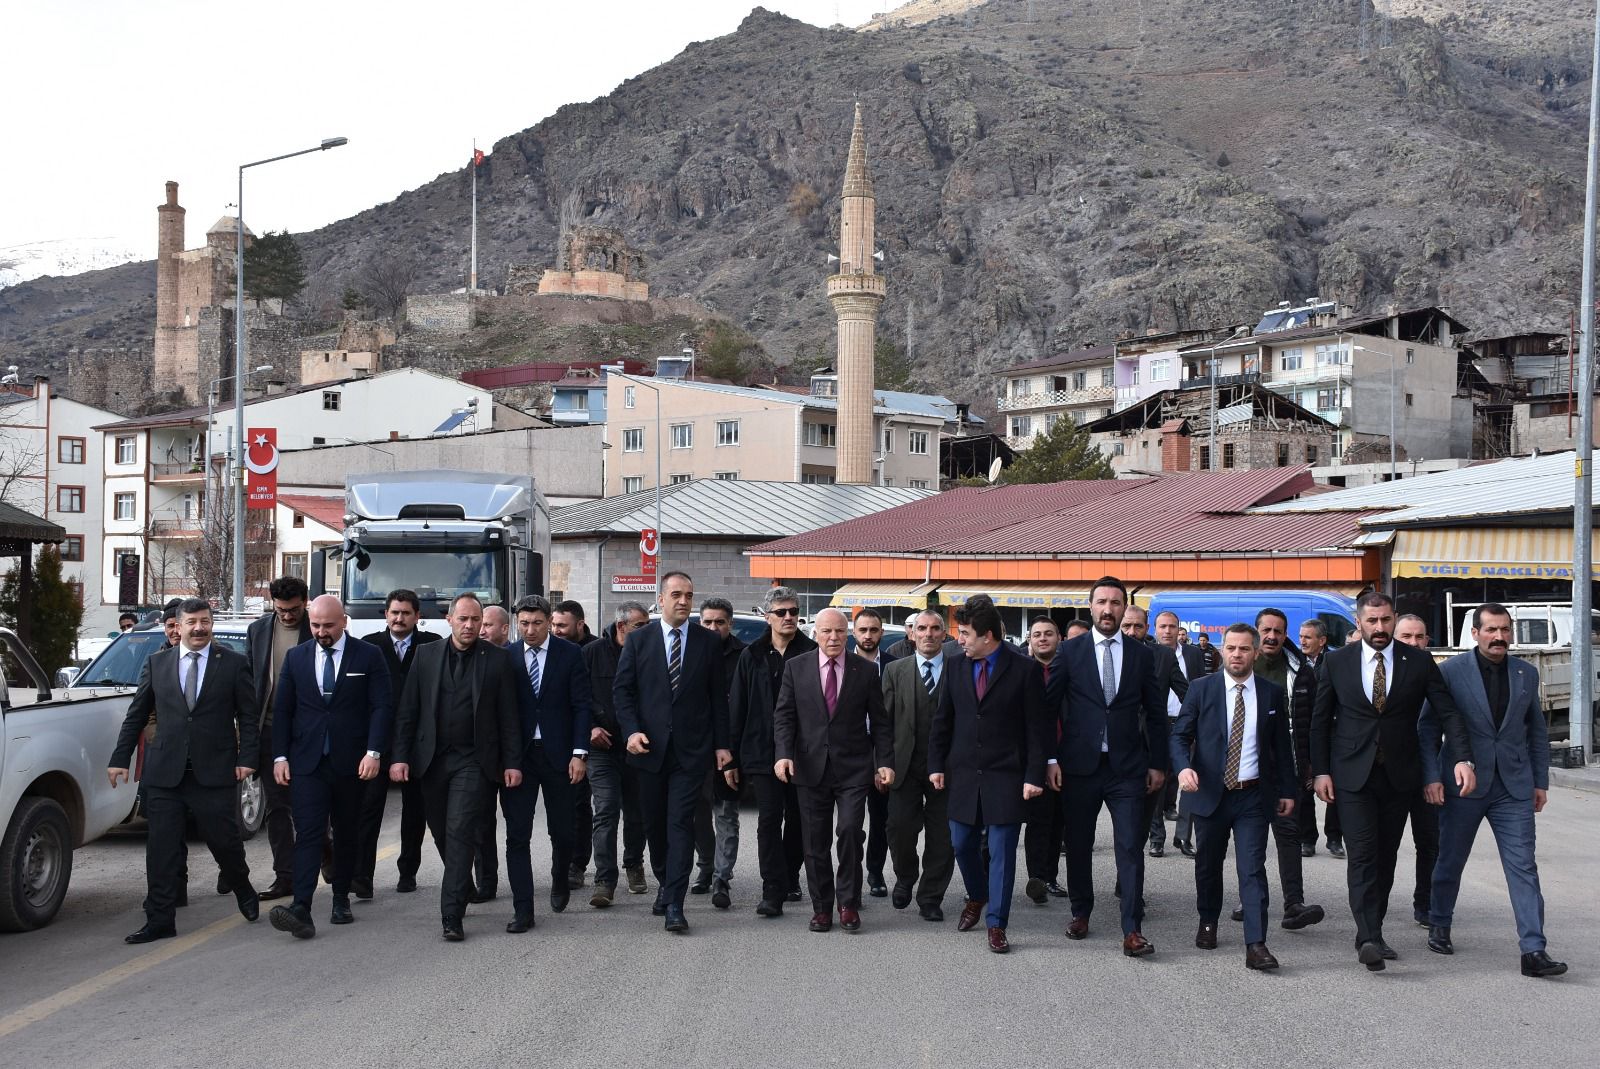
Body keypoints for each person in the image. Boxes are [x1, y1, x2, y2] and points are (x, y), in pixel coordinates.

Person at [1311, 591, 1473, 972]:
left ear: (1394, 618)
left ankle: (1373, 930)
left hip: (1399, 775)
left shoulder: (1418, 661)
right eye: (1372, 621)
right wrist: (1320, 771)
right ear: (1359, 622)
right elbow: (1319, 721)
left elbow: (1448, 712)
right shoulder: (1337, 661)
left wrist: (1463, 758)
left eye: (1385, 620)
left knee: (1385, 857)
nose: (1380, 627)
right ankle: (1368, 937)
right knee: (1363, 854)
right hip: (1353, 775)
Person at [1421, 603, 1566, 978]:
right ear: (1475, 633)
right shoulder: (1450, 672)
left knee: (1523, 867)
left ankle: (1533, 949)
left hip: (1513, 787)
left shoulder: (1525, 673)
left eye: (1505, 630)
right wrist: (1432, 777)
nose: (1499, 637)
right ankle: (1440, 922)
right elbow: (1428, 728)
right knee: (1450, 858)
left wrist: (1540, 781)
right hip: (1463, 785)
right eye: (1491, 630)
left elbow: (1536, 732)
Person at [108, 598, 259, 943]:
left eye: (205, 621)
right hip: (165, 773)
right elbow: (136, 714)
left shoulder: (233, 664)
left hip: (214, 771)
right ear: (178, 625)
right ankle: (160, 919)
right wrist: (119, 758)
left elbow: (248, 717)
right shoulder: (157, 663)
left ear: (211, 623)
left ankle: (242, 886)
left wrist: (247, 758)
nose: (199, 628)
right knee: (161, 850)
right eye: (192, 622)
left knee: (225, 843)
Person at [389, 593, 523, 942]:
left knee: (460, 829)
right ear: (449, 620)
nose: (469, 625)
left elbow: (509, 716)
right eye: (463, 619)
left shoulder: (497, 660)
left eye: (475, 620)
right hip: (432, 760)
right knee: (440, 831)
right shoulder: (426, 655)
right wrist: (400, 756)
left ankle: (451, 915)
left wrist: (512, 762)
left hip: (474, 761)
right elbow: (408, 711)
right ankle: (461, 883)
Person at [1050, 576, 1167, 956]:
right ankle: (1080, 912)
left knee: (1130, 847)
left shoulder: (1141, 654)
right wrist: (1049, 759)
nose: (1107, 609)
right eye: (1101, 602)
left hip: (1127, 768)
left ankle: (1132, 929)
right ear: (1091, 607)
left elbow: (1155, 713)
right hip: (1078, 766)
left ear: (1124, 608)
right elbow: (1048, 709)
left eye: (1115, 603)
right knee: (1079, 845)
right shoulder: (1070, 652)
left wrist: (1158, 763)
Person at [1171, 623, 1297, 971]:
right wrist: (1183, 768)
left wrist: (1288, 790)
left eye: (1244, 649)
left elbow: (1281, 748)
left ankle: (1256, 944)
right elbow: (1179, 736)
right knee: (1208, 864)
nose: (1237, 655)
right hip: (1210, 793)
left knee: (1252, 869)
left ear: (1255, 653)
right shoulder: (1201, 689)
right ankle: (1208, 919)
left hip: (1252, 796)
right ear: (1222, 651)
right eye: (1231, 648)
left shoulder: (1271, 694)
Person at [267, 595, 393, 939]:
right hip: (307, 762)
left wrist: (374, 752)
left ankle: (341, 899)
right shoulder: (296, 658)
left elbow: (382, 706)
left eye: (328, 626)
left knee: (346, 831)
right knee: (308, 833)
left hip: (352, 762)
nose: (321, 632)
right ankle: (301, 907)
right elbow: (283, 711)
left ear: (344, 622)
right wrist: (280, 757)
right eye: (315, 625)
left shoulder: (368, 656)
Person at [613, 571, 732, 934]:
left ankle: (675, 904)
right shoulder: (639, 640)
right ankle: (665, 883)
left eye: (689, 595)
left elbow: (718, 698)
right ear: (661, 599)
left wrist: (722, 745)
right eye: (677, 594)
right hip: (649, 750)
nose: (683, 601)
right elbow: (623, 691)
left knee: (680, 823)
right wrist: (631, 731)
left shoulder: (707, 642)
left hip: (691, 752)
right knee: (654, 825)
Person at [930, 595, 1048, 954]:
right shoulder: (955, 665)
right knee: (961, 844)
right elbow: (943, 720)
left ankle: (997, 923)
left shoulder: (1024, 669)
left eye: (965, 633)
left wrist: (1034, 776)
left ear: (988, 636)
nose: (959, 639)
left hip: (1007, 776)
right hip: (964, 774)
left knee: (1002, 853)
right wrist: (936, 765)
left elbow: (1037, 730)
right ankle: (978, 895)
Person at [773, 608, 892, 933]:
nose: (834, 637)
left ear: (848, 633)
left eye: (840, 631)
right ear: (816, 634)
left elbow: (880, 722)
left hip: (853, 768)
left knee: (850, 831)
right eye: (826, 631)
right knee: (815, 842)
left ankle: (848, 904)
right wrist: (783, 755)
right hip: (809, 767)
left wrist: (884, 761)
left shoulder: (864, 670)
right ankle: (822, 907)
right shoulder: (796, 668)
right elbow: (784, 716)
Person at [495, 595, 591, 932]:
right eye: (524, 623)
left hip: (560, 756)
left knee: (563, 831)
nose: (530, 630)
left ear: (549, 622)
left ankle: (560, 877)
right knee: (517, 835)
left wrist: (579, 753)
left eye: (537, 623)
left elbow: (582, 706)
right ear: (516, 623)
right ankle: (523, 909)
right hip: (518, 758)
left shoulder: (570, 654)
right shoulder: (506, 656)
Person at [726, 587, 816, 918]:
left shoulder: (811, 652)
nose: (789, 617)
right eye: (781, 612)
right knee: (768, 820)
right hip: (761, 751)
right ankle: (771, 889)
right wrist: (731, 757)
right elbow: (738, 707)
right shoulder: (751, 655)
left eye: (794, 611)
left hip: (802, 752)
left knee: (798, 820)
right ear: (768, 617)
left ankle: (790, 876)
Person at [1236, 608, 1326, 932]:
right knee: (1252, 839)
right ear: (1257, 631)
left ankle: (1294, 904)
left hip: (1288, 769)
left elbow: (1314, 721)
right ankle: (1251, 899)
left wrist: (1314, 765)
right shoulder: (1241, 666)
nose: (1272, 636)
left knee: (1289, 836)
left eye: (1278, 631)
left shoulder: (1301, 670)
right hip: (1248, 769)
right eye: (1266, 630)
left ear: (1285, 635)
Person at [360, 589, 442, 895]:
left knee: (415, 814)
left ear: (417, 616)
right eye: (394, 612)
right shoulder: (369, 646)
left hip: (419, 744)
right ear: (386, 614)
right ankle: (362, 877)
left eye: (406, 613)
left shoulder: (432, 645)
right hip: (377, 743)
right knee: (368, 811)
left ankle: (408, 872)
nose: (399, 618)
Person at [882, 608, 955, 921]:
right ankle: (905, 876)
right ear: (911, 634)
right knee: (899, 828)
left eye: (935, 628)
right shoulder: (895, 670)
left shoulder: (958, 668)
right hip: (904, 766)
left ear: (944, 634)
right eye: (921, 628)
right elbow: (883, 722)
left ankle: (930, 897)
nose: (928, 634)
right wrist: (882, 763)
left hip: (948, 769)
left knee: (944, 837)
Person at [245, 576, 312, 901]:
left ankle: (325, 855)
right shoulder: (258, 631)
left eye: (293, 610)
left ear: (305, 602)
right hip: (269, 731)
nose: (287, 615)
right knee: (276, 807)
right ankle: (285, 876)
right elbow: (250, 682)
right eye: (281, 609)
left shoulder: (318, 627)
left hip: (308, 732)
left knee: (311, 805)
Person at [583, 601, 653, 906]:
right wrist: (590, 728)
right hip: (602, 747)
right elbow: (578, 697)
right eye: (640, 626)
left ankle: (634, 864)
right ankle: (604, 880)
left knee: (637, 813)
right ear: (622, 626)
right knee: (606, 809)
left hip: (638, 746)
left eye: (649, 625)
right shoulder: (592, 653)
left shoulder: (650, 653)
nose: (646, 631)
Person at [693, 596, 745, 908]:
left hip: (731, 747)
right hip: (695, 747)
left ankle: (721, 878)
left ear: (730, 624)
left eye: (720, 622)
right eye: (708, 622)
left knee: (726, 814)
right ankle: (705, 866)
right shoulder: (690, 651)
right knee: (697, 813)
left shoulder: (744, 656)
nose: (713, 628)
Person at [1391, 614, 1442, 926]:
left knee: (1431, 843)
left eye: (1419, 636)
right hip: (1392, 774)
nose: (1414, 642)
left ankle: (1426, 903)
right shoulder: (1382, 673)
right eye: (1406, 636)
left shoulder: (1438, 674)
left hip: (1431, 774)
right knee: (1386, 845)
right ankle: (1375, 906)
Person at [850, 607, 897, 899]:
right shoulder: (843, 663)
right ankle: (852, 876)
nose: (868, 635)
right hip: (851, 753)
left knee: (882, 819)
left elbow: (894, 719)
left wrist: (884, 761)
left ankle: (875, 871)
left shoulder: (894, 666)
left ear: (882, 632)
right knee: (851, 822)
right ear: (854, 632)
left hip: (883, 751)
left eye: (874, 630)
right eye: (863, 630)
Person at [552, 599, 597, 890]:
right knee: (564, 806)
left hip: (589, 740)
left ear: (579, 625)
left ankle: (577, 864)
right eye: (553, 625)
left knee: (581, 805)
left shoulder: (594, 650)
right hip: (558, 740)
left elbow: (592, 697)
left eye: (562, 626)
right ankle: (564, 861)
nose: (556, 630)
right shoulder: (553, 650)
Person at [1022, 616, 1067, 903]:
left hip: (1067, 754)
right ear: (1030, 640)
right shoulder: (1023, 671)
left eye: (1048, 633)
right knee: (1037, 822)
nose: (1042, 638)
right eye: (1036, 634)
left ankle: (1049, 877)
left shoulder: (1070, 670)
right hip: (1032, 757)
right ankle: (1036, 878)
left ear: (1058, 638)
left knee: (1057, 822)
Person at [1154, 610, 1206, 858]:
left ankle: (1183, 836)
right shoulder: (1149, 654)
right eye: (1162, 626)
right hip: (1159, 725)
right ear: (1155, 629)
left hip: (1187, 725)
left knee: (1189, 781)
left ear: (1179, 629)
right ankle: (1156, 838)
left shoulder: (1194, 654)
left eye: (1172, 626)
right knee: (1157, 781)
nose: (1167, 631)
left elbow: (1195, 689)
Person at [1295, 618, 1342, 857]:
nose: (1302, 641)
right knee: (1303, 788)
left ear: (1322, 640)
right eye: (1301, 636)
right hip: (1303, 733)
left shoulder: (1335, 663)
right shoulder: (1295, 663)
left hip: (1330, 734)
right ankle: (1307, 839)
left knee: (1334, 787)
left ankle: (1334, 838)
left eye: (1308, 637)